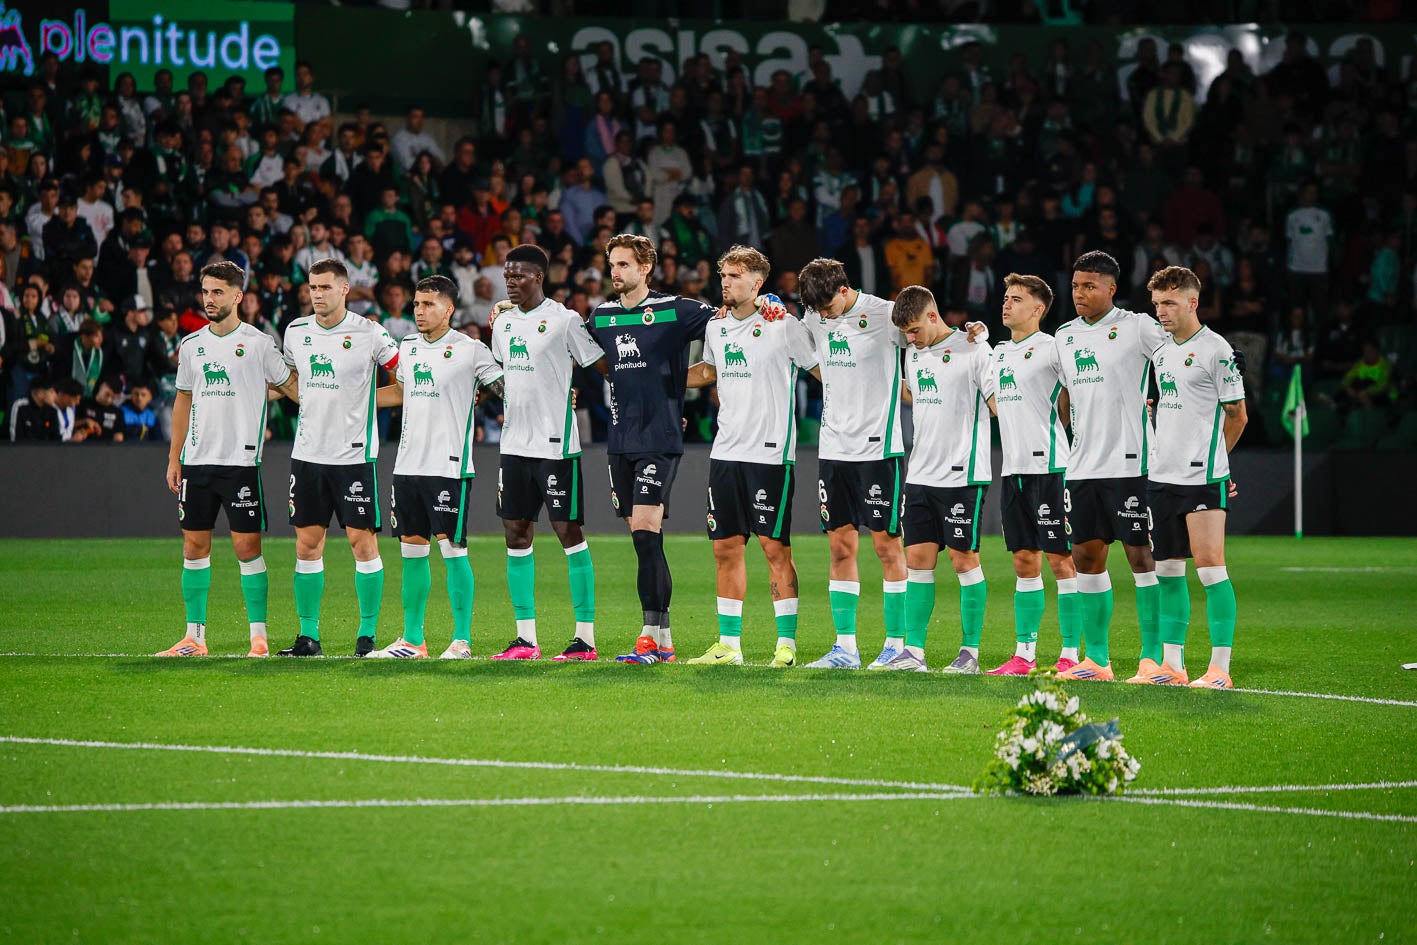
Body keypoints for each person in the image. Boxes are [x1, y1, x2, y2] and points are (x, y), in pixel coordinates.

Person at [584, 234, 777, 664]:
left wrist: (768, 300)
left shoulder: (676, 309)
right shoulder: (602, 316)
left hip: (660, 439)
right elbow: (573, 344)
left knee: (645, 533)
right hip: (620, 440)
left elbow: (731, 316)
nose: (615, 272)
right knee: (644, 541)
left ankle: (648, 638)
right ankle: (665, 641)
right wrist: (506, 309)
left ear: (645, 267)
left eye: (623, 264)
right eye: (611, 264)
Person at [684, 246, 819, 667]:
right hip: (726, 452)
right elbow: (708, 372)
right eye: (723, 275)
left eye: (735, 276)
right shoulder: (716, 326)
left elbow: (820, 371)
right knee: (725, 549)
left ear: (757, 283)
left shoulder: (784, 325)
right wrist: (656, 380)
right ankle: (729, 645)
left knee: (775, 549)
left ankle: (786, 644)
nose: (725, 282)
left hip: (770, 455)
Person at [157, 260, 299, 658]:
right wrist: (174, 458)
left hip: (241, 464)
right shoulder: (191, 345)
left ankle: (259, 637)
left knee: (247, 549)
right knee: (193, 548)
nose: (209, 299)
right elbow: (183, 399)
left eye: (217, 292)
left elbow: (290, 386)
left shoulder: (259, 343)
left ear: (238, 296)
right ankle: (194, 637)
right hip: (197, 463)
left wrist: (333, 396)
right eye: (205, 291)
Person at [367, 276, 503, 659]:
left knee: (454, 552)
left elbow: (504, 388)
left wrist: (550, 397)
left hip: (448, 467)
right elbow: (400, 391)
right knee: (411, 553)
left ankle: (461, 640)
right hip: (407, 465)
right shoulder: (408, 347)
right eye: (416, 304)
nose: (420, 311)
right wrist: (353, 401)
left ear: (449, 309)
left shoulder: (470, 349)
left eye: (428, 304)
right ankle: (413, 640)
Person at [483, 246, 605, 661]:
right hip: (513, 445)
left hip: (555, 445)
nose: (510, 283)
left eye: (518, 276)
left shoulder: (565, 320)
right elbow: (504, 374)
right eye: (507, 276)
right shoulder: (502, 323)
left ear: (538, 277)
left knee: (568, 532)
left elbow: (599, 365)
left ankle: (585, 639)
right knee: (515, 534)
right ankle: (525, 640)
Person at [1053, 251, 1169, 684]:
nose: (1079, 293)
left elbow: (1177, 356)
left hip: (1132, 462)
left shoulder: (1138, 326)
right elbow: (1064, 392)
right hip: (1082, 466)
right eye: (1075, 286)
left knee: (1142, 555)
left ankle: (1152, 657)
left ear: (1111, 288)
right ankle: (1097, 660)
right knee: (1086, 556)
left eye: (1089, 286)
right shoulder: (1064, 335)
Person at [277, 258, 400, 658]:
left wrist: (363, 401)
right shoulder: (296, 331)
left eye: (325, 287)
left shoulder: (370, 332)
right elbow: (289, 382)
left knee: (361, 544)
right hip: (307, 455)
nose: (317, 294)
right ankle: (308, 636)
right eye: (312, 287)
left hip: (353, 457)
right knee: (307, 545)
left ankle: (367, 636)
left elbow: (405, 379)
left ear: (345, 289)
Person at [794, 258, 908, 669]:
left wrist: (971, 336)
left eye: (828, 307)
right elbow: (795, 338)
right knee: (840, 546)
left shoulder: (885, 315)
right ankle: (845, 648)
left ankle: (896, 646)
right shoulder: (814, 315)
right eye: (817, 310)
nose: (823, 316)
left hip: (878, 449)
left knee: (886, 546)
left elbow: (931, 336)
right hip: (833, 449)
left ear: (844, 290)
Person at [1143, 265, 1247, 688]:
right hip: (1161, 476)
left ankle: (1220, 669)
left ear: (1192, 302)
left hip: (1201, 479)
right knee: (1167, 572)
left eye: (1169, 303)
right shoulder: (1161, 352)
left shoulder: (1216, 349)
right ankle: (1173, 666)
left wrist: (1216, 462)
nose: (1161, 311)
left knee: (1210, 570)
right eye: (1157, 304)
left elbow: (1237, 415)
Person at [885, 285, 995, 673]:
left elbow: (997, 404)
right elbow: (916, 395)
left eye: (915, 330)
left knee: (964, 560)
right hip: (920, 474)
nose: (911, 339)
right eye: (906, 334)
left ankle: (970, 653)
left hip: (962, 474)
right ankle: (913, 652)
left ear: (933, 316)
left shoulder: (974, 348)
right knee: (917, 560)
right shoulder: (913, 353)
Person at [983, 274, 1082, 675]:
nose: (1006, 304)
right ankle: (1024, 655)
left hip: (1050, 469)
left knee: (1061, 561)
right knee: (1025, 561)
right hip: (1014, 470)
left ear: (1038, 309)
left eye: (1017, 299)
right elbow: (993, 404)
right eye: (1006, 298)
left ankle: (1071, 653)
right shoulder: (999, 353)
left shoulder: (1053, 348)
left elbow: (1080, 392)